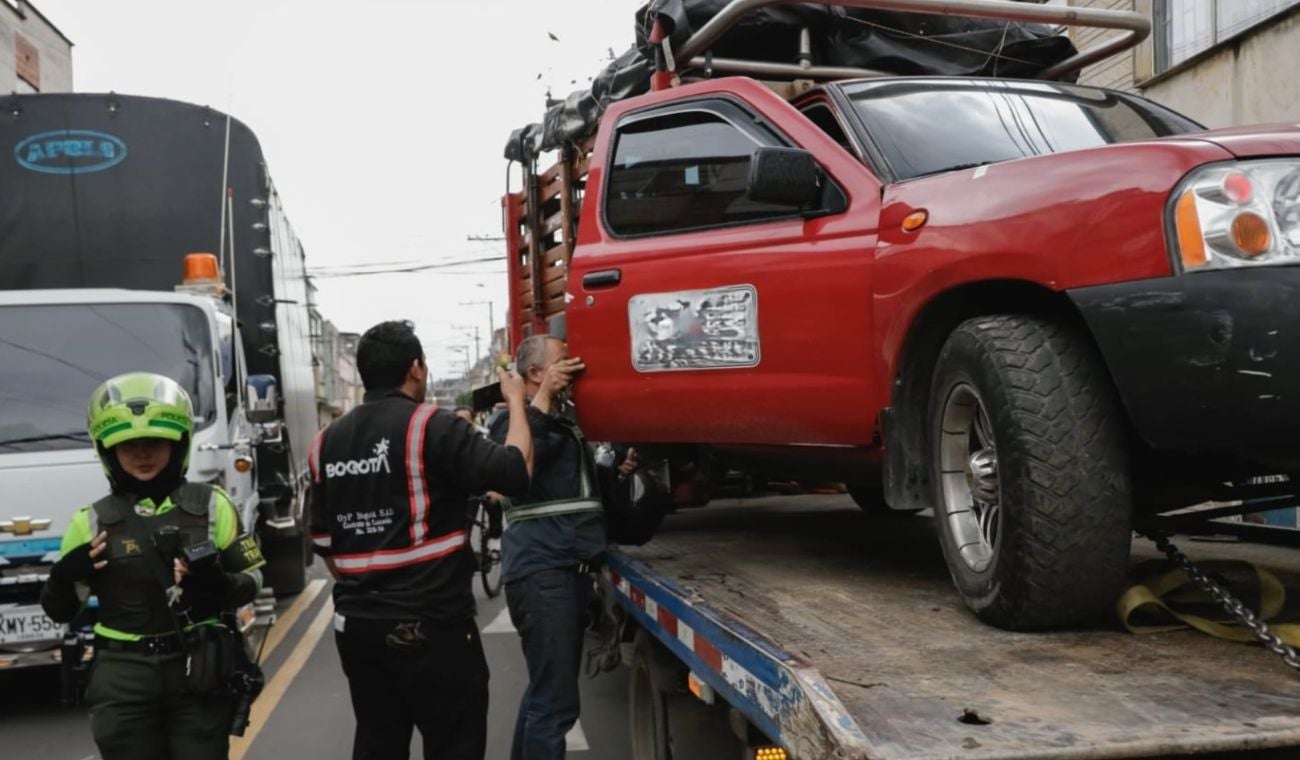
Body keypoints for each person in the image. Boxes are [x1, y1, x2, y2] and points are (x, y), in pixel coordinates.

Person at [309, 320, 534, 760]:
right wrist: (516, 403)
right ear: (416, 369)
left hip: (359, 632)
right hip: (434, 627)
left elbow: (326, 548)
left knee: (378, 742)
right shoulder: (432, 425)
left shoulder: (324, 444)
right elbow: (515, 472)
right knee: (454, 744)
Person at [40, 372, 266, 760]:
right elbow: (60, 610)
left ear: (178, 444)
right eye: (129, 445)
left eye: (154, 443)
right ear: (108, 451)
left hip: (199, 671)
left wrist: (216, 585)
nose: (142, 454)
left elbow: (255, 580)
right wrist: (63, 576)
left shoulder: (214, 505)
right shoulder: (89, 521)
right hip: (123, 678)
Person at [488, 334, 606, 760]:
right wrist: (535, 400)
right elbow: (518, 466)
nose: (573, 366)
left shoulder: (561, 421)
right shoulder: (510, 422)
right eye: (562, 361)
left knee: (546, 696)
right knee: (554, 705)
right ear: (535, 373)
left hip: (561, 573)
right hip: (543, 576)